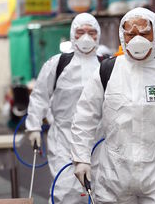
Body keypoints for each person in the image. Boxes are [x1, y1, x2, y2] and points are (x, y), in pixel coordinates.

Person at [70, 7, 155, 203]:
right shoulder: (107, 70)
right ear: (122, 36)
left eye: (144, 33)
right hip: (115, 175)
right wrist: (81, 158)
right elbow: (85, 117)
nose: (137, 40)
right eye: (131, 34)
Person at [25, 13, 101, 204]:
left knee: (99, 189)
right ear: (72, 34)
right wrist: (34, 126)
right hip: (64, 137)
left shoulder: (105, 65)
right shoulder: (58, 63)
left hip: (98, 138)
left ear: (98, 35)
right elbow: (40, 94)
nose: (86, 37)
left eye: (91, 32)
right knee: (66, 190)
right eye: (80, 32)